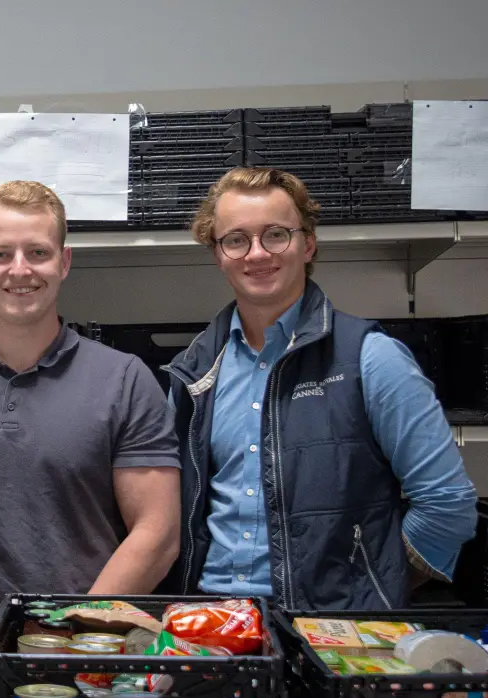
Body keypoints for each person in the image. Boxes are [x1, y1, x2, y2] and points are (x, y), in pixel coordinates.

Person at [168, 167, 477, 609]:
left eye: (276, 234)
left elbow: (448, 505)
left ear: (308, 243)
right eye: (236, 240)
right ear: (218, 254)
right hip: (209, 619)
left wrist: (372, 589)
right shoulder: (194, 372)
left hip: (330, 631)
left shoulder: (371, 358)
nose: (256, 254)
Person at [0, 181, 180, 608]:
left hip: (89, 645)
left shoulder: (124, 380)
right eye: (1, 254)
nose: (20, 270)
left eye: (38, 253)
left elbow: (157, 534)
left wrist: (76, 629)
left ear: (64, 262)